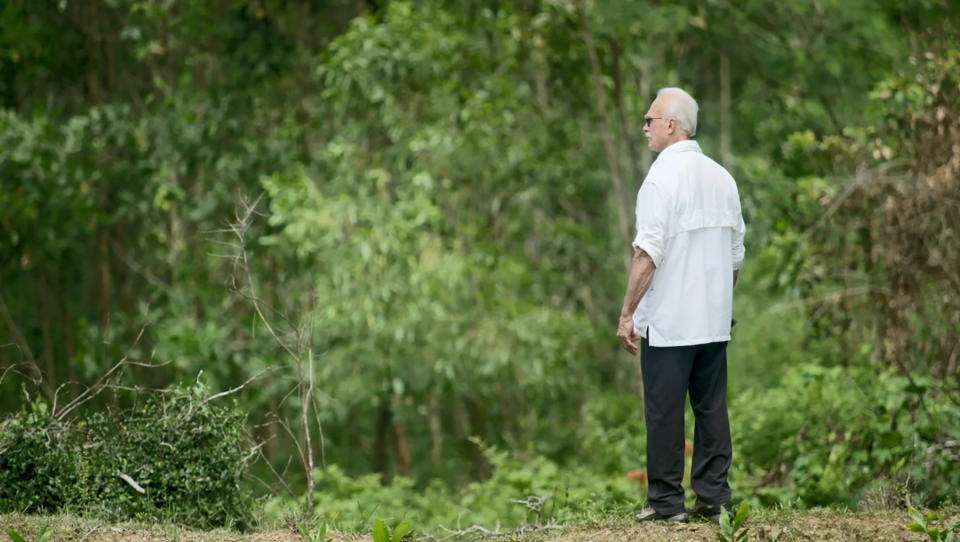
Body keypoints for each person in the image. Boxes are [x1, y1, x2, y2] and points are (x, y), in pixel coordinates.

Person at [616, 87, 745, 523]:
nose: (645, 127)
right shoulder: (722, 177)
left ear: (671, 125)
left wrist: (627, 312)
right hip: (713, 320)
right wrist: (719, 302)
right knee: (711, 409)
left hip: (671, 321)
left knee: (664, 410)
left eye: (650, 120)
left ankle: (667, 504)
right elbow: (735, 254)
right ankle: (713, 497)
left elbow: (647, 253)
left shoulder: (660, 178)